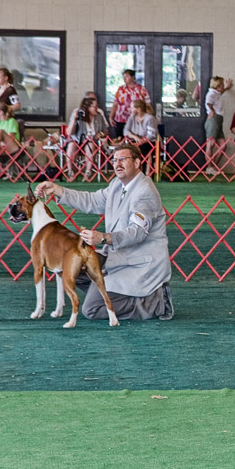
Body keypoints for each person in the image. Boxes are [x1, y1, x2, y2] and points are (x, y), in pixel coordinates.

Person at [35, 144, 173, 322]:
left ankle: (156, 302)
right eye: (115, 160)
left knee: (92, 309)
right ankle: (111, 293)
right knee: (70, 264)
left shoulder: (145, 193)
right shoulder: (117, 185)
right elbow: (91, 201)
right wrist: (58, 190)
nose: (117, 164)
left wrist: (104, 238)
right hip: (119, 256)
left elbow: (137, 232)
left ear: (138, 162)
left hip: (140, 264)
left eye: (123, 159)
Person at [66, 95, 110, 180]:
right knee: (71, 146)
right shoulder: (79, 115)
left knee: (90, 145)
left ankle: (88, 172)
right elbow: (69, 133)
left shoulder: (99, 116)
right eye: (94, 106)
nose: (97, 108)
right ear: (88, 107)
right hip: (77, 140)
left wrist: (100, 134)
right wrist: (74, 119)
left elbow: (106, 131)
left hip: (92, 141)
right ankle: (70, 172)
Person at [203, 75, 234, 174]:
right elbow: (208, 103)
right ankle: (209, 167)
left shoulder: (216, 93)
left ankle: (213, 166)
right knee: (210, 143)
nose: (222, 86)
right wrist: (212, 111)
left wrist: (227, 88)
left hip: (219, 120)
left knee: (223, 145)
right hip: (214, 119)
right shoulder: (211, 94)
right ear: (217, 85)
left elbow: (220, 92)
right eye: (221, 85)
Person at [110, 69, 150, 138]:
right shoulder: (120, 89)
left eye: (127, 76)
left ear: (133, 77)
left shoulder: (141, 89)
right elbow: (115, 104)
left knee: (135, 139)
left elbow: (148, 104)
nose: (124, 79)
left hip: (136, 119)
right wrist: (111, 116)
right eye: (124, 77)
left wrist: (147, 117)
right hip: (121, 119)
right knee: (121, 139)